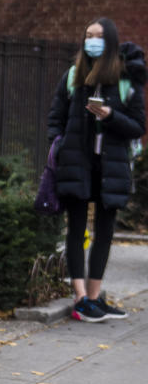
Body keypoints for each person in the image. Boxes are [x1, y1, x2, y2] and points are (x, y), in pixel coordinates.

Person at [47, 17, 146, 322]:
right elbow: (55, 119)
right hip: (78, 164)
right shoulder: (74, 75)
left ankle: (94, 297)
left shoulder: (126, 80)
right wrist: (61, 147)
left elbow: (138, 126)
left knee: (104, 232)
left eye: (98, 36)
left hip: (110, 167)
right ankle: (79, 299)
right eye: (87, 35)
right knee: (77, 230)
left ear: (112, 40)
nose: (91, 41)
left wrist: (109, 115)